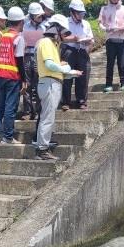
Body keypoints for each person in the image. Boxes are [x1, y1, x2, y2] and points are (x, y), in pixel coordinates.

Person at [35, 14, 82, 160]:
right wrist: (67, 70)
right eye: (64, 32)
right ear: (57, 29)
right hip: (49, 84)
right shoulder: (47, 43)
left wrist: (71, 73)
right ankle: (42, 149)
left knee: (49, 116)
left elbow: (54, 69)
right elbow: (49, 65)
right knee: (47, 117)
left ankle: (44, 145)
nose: (65, 36)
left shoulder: (53, 44)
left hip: (52, 82)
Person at [0, 6, 26, 144]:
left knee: (0, 106)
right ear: (21, 22)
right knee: (10, 107)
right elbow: (20, 60)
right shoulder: (18, 38)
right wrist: (24, 79)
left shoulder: (4, 36)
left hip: (0, 75)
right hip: (12, 76)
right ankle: (8, 137)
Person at [98, 0, 124, 93]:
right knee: (110, 63)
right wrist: (106, 29)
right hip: (110, 40)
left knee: (122, 63)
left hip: (122, 39)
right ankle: (108, 85)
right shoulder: (104, 9)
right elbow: (100, 23)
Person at [61, 0, 94, 110]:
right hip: (69, 50)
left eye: (82, 13)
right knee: (67, 76)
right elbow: (61, 38)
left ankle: (82, 101)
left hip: (82, 50)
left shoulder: (86, 24)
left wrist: (88, 43)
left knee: (83, 77)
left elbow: (91, 39)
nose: (81, 15)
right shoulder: (65, 22)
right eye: (79, 13)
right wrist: (73, 39)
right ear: (72, 12)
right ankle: (66, 101)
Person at [22, 2, 46, 121]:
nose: (40, 18)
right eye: (38, 16)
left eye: (41, 16)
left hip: (38, 57)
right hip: (26, 56)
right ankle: (27, 111)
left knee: (37, 85)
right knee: (27, 84)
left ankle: (36, 111)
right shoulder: (24, 26)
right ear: (31, 16)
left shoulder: (44, 27)